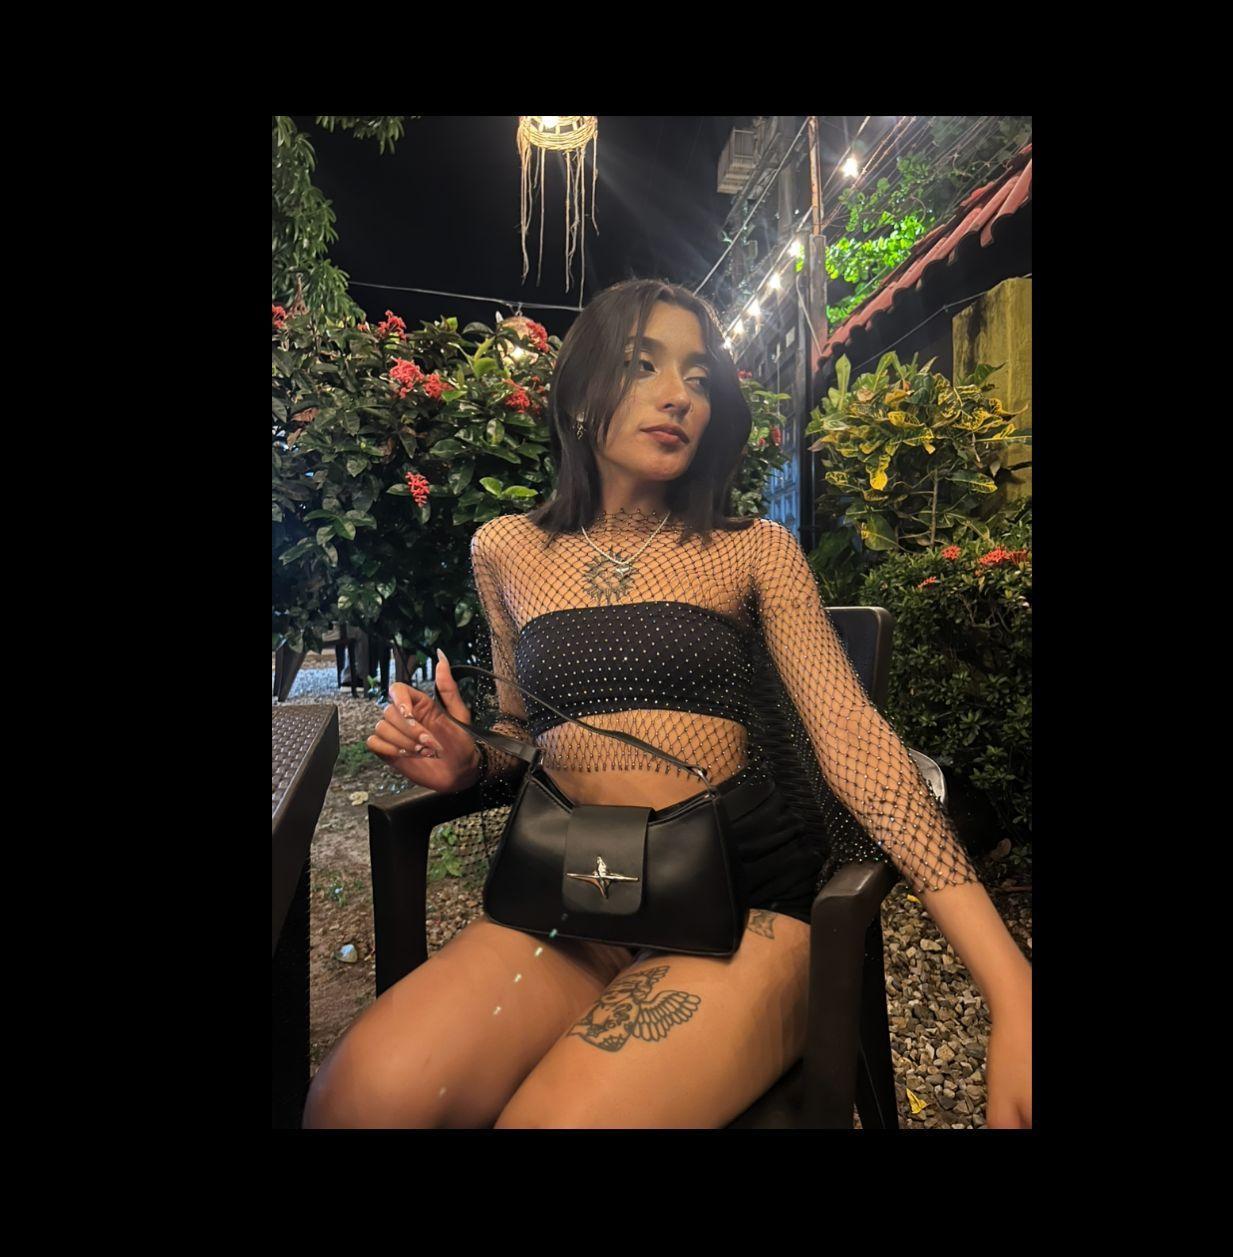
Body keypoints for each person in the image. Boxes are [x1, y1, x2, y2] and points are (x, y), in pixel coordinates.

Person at [302, 279, 1032, 1130]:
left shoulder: (752, 549)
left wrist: (1010, 985)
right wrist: (471, 757)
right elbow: (521, 730)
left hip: (746, 908)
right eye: (643, 364)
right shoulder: (506, 548)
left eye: (698, 375)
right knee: (357, 1099)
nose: (679, 393)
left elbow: (856, 743)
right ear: (580, 393)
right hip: (573, 901)